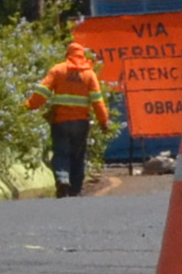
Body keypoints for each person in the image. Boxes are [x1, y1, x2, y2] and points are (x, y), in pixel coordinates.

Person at [23, 40, 114, 199]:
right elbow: (97, 101)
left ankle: (62, 179)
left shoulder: (58, 70)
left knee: (61, 153)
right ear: (82, 56)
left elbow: (43, 92)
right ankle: (76, 189)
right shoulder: (89, 74)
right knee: (78, 156)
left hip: (60, 122)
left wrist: (28, 106)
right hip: (81, 123)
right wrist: (104, 121)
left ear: (68, 55)